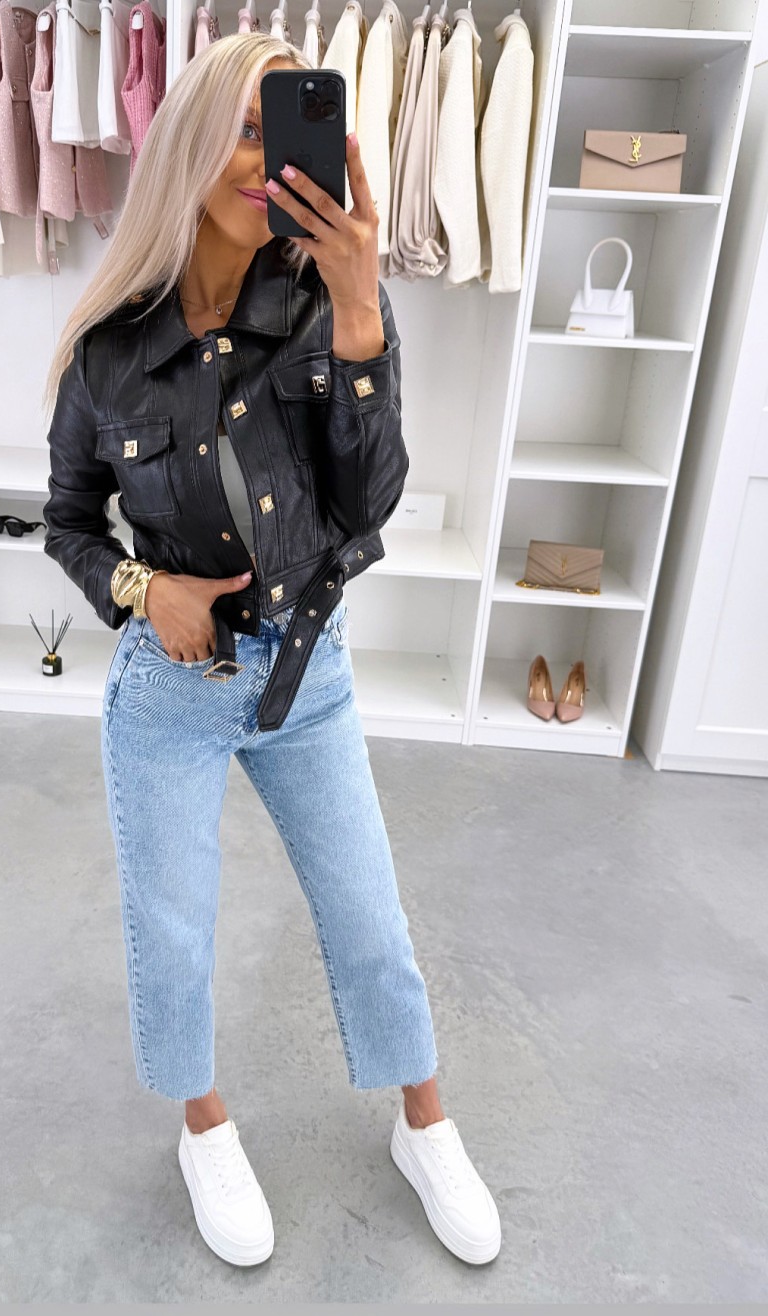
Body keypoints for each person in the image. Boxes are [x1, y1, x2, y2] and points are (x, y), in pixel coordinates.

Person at [41, 32, 501, 1271]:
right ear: (189, 146)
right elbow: (69, 522)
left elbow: (369, 502)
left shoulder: (322, 306)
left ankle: (423, 1119)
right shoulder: (107, 352)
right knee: (174, 931)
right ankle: (203, 1126)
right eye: (245, 131)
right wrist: (144, 588)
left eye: (284, 130)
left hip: (309, 675)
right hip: (170, 690)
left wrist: (359, 309)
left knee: (370, 919)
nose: (268, 160)